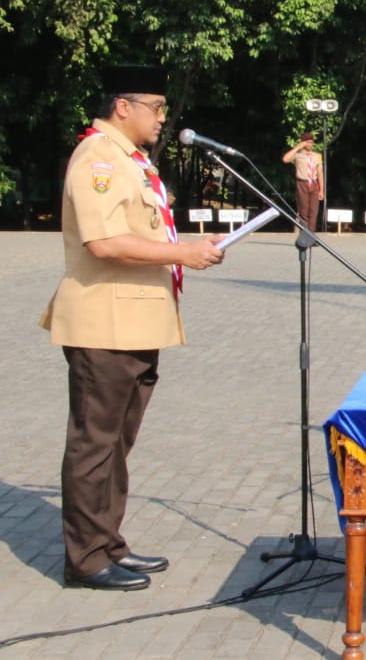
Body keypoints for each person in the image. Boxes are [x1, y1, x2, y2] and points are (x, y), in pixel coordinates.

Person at [39, 65, 226, 591]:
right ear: (123, 106)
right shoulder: (97, 158)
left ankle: (108, 543)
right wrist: (182, 253)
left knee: (116, 445)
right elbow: (105, 244)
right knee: (93, 444)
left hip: (135, 323)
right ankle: (85, 559)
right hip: (104, 324)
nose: (162, 119)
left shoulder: (132, 160)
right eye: (156, 107)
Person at [282, 131, 324, 231]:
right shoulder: (297, 155)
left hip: (314, 184)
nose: (310, 144)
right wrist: (298, 147)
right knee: (303, 211)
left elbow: (320, 173)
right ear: (303, 143)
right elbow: (285, 159)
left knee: (314, 212)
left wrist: (322, 190)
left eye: (311, 142)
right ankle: (305, 235)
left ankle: (312, 236)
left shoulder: (317, 156)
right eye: (307, 142)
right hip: (302, 183)